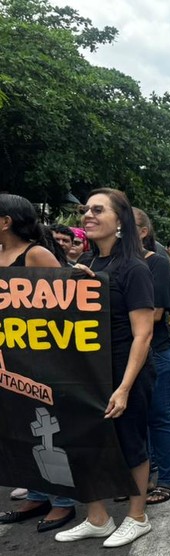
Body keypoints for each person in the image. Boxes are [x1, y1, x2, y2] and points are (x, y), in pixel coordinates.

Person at [55, 188, 157, 547]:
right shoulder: (87, 263)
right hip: (86, 372)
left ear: (120, 221)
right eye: (86, 210)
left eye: (98, 210)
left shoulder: (134, 267)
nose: (88, 215)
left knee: (130, 441)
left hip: (123, 369)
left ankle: (137, 515)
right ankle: (97, 518)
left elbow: (142, 335)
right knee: (84, 441)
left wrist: (125, 387)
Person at [0, 194, 77, 532]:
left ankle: (62, 502)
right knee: (19, 427)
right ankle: (36, 493)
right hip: (7, 357)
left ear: (6, 221)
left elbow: (67, 301)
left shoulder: (36, 254)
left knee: (49, 431)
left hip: (40, 357)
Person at [133, 208, 170, 506]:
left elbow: (156, 313)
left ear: (143, 232)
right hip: (126, 353)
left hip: (157, 352)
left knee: (158, 415)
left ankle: (167, 479)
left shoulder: (158, 264)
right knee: (136, 418)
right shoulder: (107, 263)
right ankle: (142, 475)